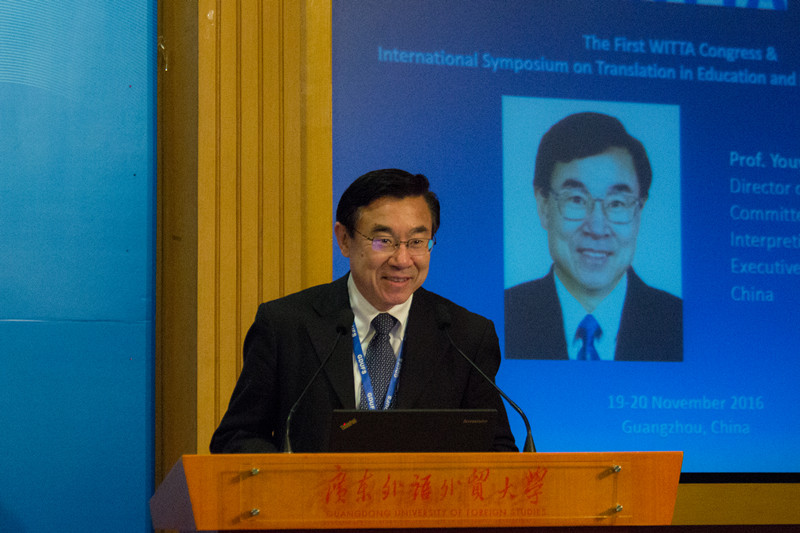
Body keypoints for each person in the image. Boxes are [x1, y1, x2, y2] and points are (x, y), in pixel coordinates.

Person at [211, 168, 517, 453]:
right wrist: (295, 479)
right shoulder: (286, 325)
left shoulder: (465, 336)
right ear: (344, 239)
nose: (402, 260)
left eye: (416, 241)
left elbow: (497, 449)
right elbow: (237, 438)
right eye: (384, 241)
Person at [505, 112, 682, 361]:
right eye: (576, 199)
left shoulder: (678, 323)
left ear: (639, 211)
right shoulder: (503, 316)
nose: (597, 228)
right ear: (543, 206)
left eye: (617, 203)